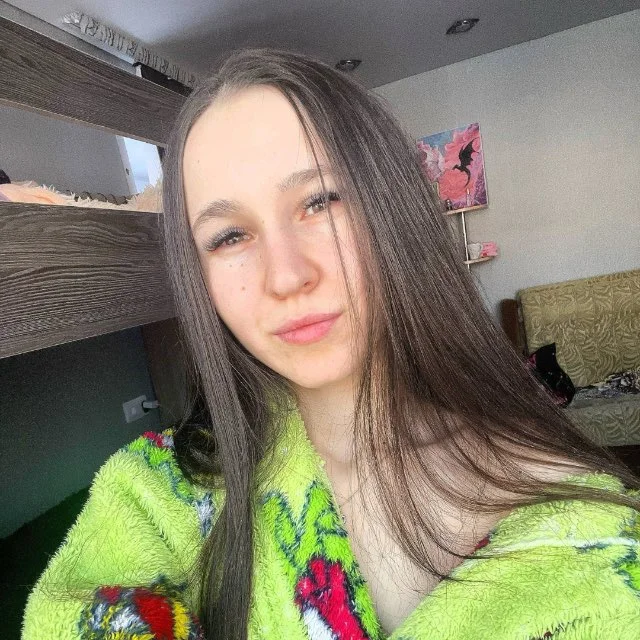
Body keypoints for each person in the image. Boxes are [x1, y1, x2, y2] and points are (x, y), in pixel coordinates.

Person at [23, 48, 639, 640]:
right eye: (230, 236)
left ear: (393, 207)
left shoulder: (584, 526)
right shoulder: (158, 493)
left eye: (319, 202)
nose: (286, 276)